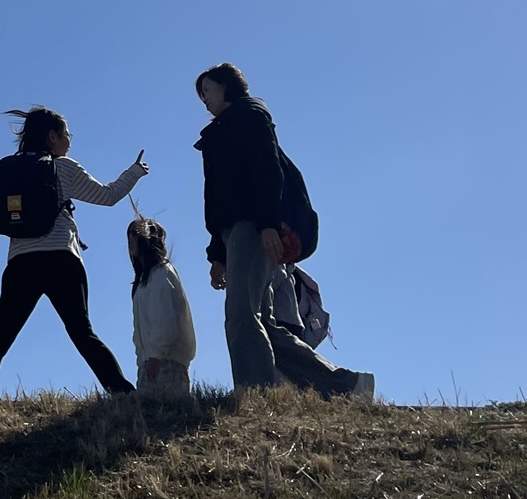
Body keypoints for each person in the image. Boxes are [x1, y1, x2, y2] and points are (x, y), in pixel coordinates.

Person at [195, 63, 373, 400]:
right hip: (236, 231)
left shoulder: (250, 116)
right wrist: (217, 254)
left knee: (241, 316)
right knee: (262, 323)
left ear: (227, 87)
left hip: (253, 227)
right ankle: (347, 385)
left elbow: (268, 173)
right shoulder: (217, 134)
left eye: (208, 90)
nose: (204, 99)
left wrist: (267, 225)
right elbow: (215, 200)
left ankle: (256, 396)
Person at [0, 107, 148, 396]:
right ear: (52, 137)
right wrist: (135, 172)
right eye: (66, 134)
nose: (69, 140)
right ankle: (121, 390)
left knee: (0, 328)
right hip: (62, 258)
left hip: (22, 262)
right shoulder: (63, 167)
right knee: (80, 330)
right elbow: (108, 195)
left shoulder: (9, 171)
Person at [128, 216, 197, 397]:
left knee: (169, 416)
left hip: (165, 361)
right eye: (129, 235)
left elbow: (165, 321)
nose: (131, 240)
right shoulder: (143, 282)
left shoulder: (161, 273)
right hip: (149, 362)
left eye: (135, 234)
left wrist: (155, 355)